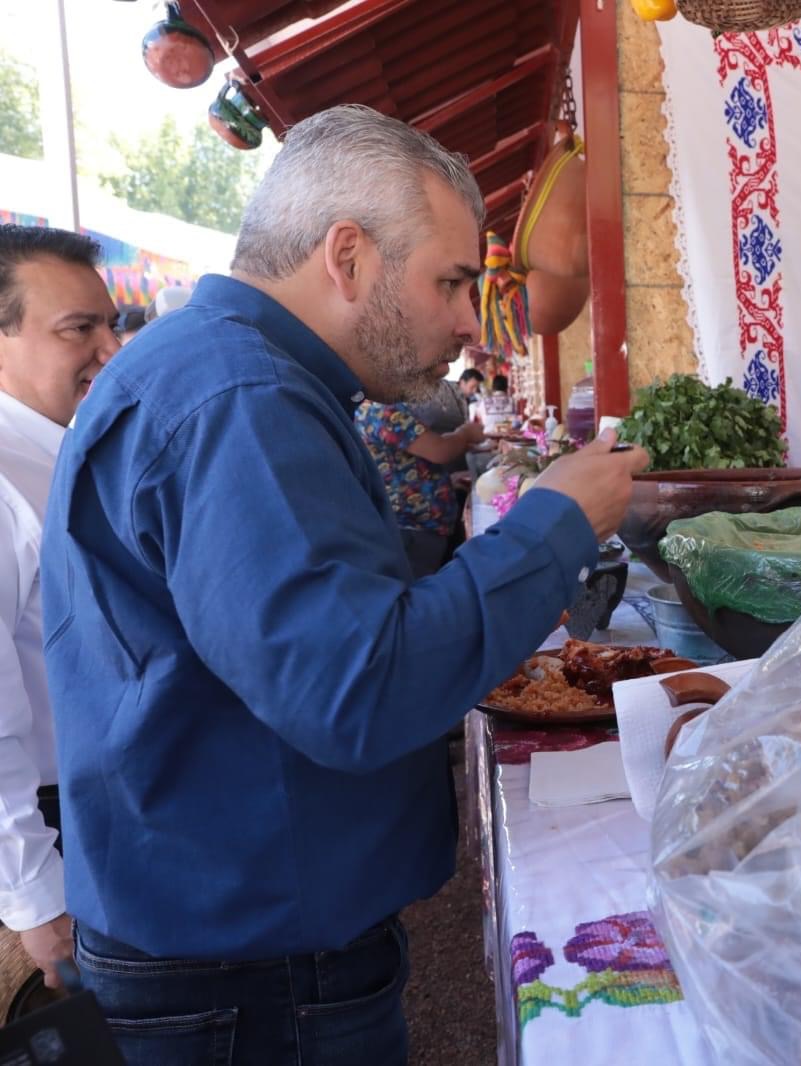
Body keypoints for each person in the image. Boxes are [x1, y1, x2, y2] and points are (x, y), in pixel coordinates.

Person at [43, 105, 648, 1064]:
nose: (464, 319)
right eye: (451, 282)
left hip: (232, 930)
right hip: (251, 966)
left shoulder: (224, 374)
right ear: (348, 255)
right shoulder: (241, 399)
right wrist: (555, 522)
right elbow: (360, 688)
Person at [0, 225, 119, 989]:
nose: (109, 349)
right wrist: (36, 895)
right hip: (55, 830)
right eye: (80, 330)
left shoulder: (58, 452)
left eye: (110, 324)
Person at [356, 399, 485, 577]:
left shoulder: (372, 409)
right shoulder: (382, 410)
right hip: (414, 529)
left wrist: (444, 481)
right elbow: (440, 450)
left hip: (415, 526)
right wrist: (465, 433)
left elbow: (407, 456)